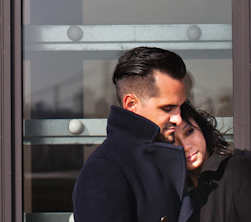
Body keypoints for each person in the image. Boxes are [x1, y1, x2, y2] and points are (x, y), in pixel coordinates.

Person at [72, 47, 193, 222]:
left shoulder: (158, 159)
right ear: (131, 104)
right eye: (167, 108)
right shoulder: (104, 170)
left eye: (179, 107)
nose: (178, 118)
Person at [175, 102, 251, 222]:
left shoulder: (240, 172)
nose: (185, 146)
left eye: (189, 132)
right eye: (173, 141)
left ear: (201, 128)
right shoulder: (172, 190)